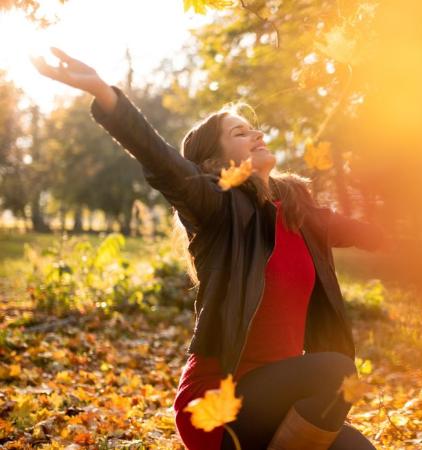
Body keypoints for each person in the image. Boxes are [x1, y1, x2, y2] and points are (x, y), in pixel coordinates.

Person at [33, 47, 383, 450]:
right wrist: (104, 93)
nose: (258, 135)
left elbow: (370, 233)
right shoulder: (218, 210)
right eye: (240, 133)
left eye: (254, 129)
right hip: (219, 404)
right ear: (218, 164)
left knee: (359, 448)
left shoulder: (298, 213)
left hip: (281, 404)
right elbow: (162, 160)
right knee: (337, 373)